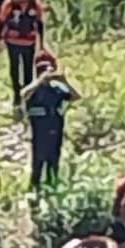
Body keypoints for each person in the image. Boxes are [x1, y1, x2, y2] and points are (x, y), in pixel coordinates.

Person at [19, 51, 79, 195]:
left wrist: (64, 81)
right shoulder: (34, 90)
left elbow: (76, 97)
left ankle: (52, 190)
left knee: (53, 165)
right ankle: (34, 192)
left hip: (56, 132)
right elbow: (23, 94)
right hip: (39, 135)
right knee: (37, 165)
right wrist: (40, 81)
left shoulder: (57, 89)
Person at [0, 0, 46, 108]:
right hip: (12, 42)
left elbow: (40, 24)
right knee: (14, 69)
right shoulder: (8, 4)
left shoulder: (35, 4)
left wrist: (42, 44)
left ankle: (28, 97)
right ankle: (17, 97)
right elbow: (1, 22)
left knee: (28, 70)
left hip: (29, 42)